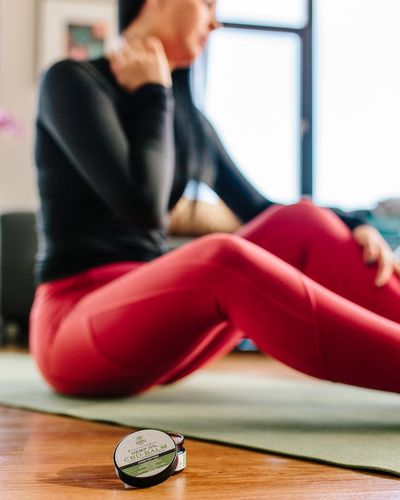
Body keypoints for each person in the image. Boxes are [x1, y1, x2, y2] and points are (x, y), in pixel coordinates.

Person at [30, 0, 400, 398]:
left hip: (157, 325)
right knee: (222, 259)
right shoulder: (71, 81)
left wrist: (354, 222)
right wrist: (154, 92)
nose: (215, 21)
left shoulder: (189, 122)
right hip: (73, 326)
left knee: (303, 221)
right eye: (206, 4)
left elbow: (262, 210)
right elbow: (143, 208)